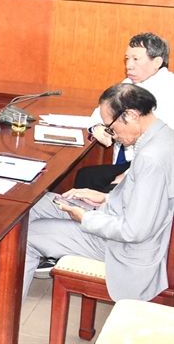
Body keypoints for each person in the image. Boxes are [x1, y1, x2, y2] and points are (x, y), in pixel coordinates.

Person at [23, 83, 174, 301]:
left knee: (25, 236)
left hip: (124, 248)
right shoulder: (164, 136)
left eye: (111, 127)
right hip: (114, 217)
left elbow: (134, 231)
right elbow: (147, 201)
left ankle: (4, 317)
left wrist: (85, 218)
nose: (113, 135)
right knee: (36, 204)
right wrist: (104, 197)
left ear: (131, 115)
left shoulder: (152, 158)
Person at [75, 33, 174, 192]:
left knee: (91, 182)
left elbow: (162, 154)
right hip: (129, 164)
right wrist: (97, 127)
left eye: (136, 59)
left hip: (149, 171)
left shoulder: (169, 91)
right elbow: (100, 114)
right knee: (87, 176)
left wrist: (125, 178)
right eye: (127, 59)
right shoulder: (130, 83)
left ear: (157, 62)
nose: (129, 65)